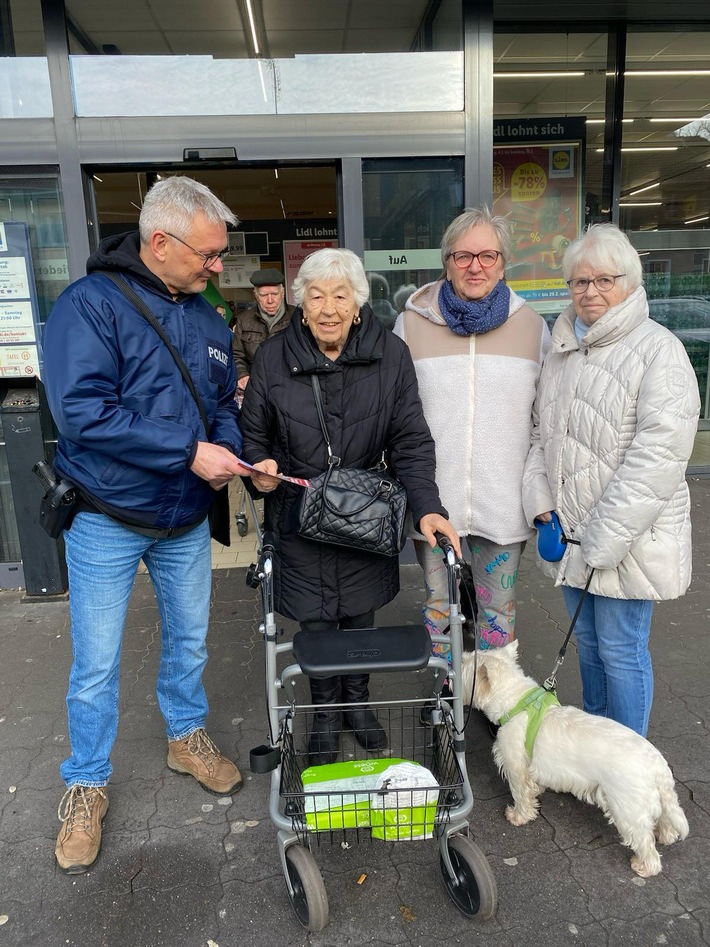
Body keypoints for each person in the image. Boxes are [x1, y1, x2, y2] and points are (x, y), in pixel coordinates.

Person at [43, 176, 250, 874]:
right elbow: (82, 413)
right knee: (97, 664)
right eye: (209, 254)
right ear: (159, 242)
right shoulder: (88, 307)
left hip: (184, 516)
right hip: (106, 514)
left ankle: (185, 735)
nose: (218, 266)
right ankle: (85, 782)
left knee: (189, 641)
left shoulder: (209, 316)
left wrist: (226, 447)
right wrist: (191, 452)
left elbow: (222, 401)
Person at [239, 247, 461, 764]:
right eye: (316, 295)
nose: (328, 307)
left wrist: (427, 506)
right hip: (298, 516)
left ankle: (358, 707)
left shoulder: (390, 354)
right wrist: (261, 471)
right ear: (301, 302)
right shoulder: (273, 357)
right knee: (314, 622)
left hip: (365, 516)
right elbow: (253, 436)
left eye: (340, 295)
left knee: (360, 617)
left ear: (358, 302)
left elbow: (410, 438)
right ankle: (324, 713)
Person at [522, 223, 700, 737]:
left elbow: (658, 459)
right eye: (580, 282)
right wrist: (540, 506)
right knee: (591, 648)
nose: (591, 291)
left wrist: (601, 539)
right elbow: (540, 435)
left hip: (627, 539)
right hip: (571, 535)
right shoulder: (562, 351)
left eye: (605, 279)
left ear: (630, 283)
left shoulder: (658, 351)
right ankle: (598, 751)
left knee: (621, 650)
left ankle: (631, 769)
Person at [394, 207, 550, 660]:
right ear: (447, 262)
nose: (475, 266)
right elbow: (398, 414)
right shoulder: (411, 324)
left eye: (487, 256)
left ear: (503, 265)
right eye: (463, 256)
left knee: (497, 611)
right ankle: (447, 698)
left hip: (503, 502)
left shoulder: (532, 327)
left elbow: (544, 419)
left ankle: (492, 694)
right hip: (434, 502)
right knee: (439, 607)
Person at [232, 268, 295, 392]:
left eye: (275, 294)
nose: (270, 300)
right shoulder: (244, 320)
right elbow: (236, 354)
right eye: (264, 295)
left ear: (282, 294)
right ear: (256, 296)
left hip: (290, 387)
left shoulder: (297, 317)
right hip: (256, 387)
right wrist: (242, 374)